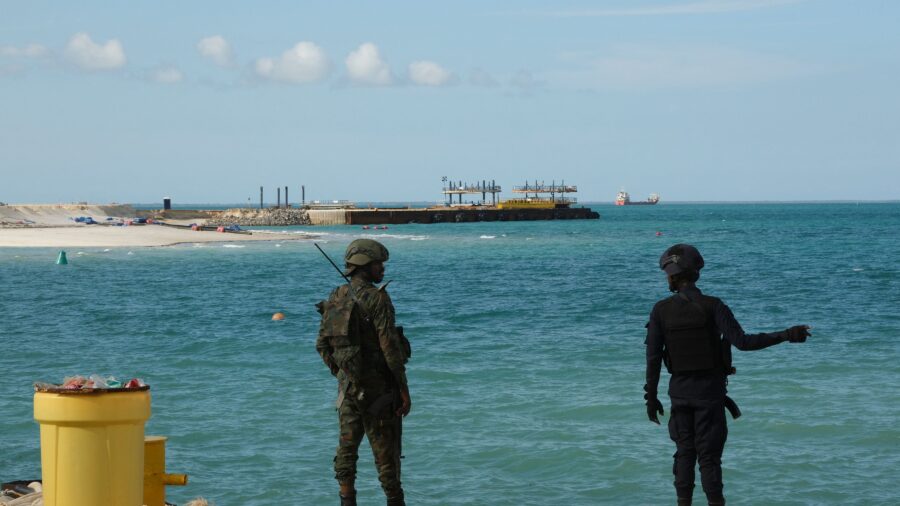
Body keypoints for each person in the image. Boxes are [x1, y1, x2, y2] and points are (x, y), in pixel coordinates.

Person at [644, 244, 810, 506]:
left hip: (679, 394)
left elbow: (653, 359)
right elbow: (743, 342)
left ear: (673, 275)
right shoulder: (713, 306)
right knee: (709, 459)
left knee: (684, 454)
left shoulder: (660, 310)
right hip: (709, 395)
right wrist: (786, 334)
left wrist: (650, 398)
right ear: (695, 273)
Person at [316, 239, 412, 506]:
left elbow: (321, 345)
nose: (382, 268)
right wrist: (404, 390)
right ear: (365, 266)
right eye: (378, 264)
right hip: (379, 391)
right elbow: (390, 350)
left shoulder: (337, 296)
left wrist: (342, 373)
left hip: (348, 390)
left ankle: (347, 501)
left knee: (347, 450)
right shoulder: (378, 298)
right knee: (387, 456)